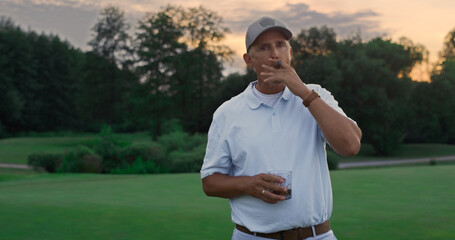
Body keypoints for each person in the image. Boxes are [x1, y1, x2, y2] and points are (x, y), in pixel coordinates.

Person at [200, 16, 362, 240]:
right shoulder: (227, 113)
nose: (274, 53)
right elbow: (209, 182)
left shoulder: (317, 95)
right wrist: (249, 185)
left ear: (290, 53)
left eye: (280, 45)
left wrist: (302, 91)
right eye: (264, 47)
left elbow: (351, 145)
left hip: (317, 235)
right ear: (249, 59)